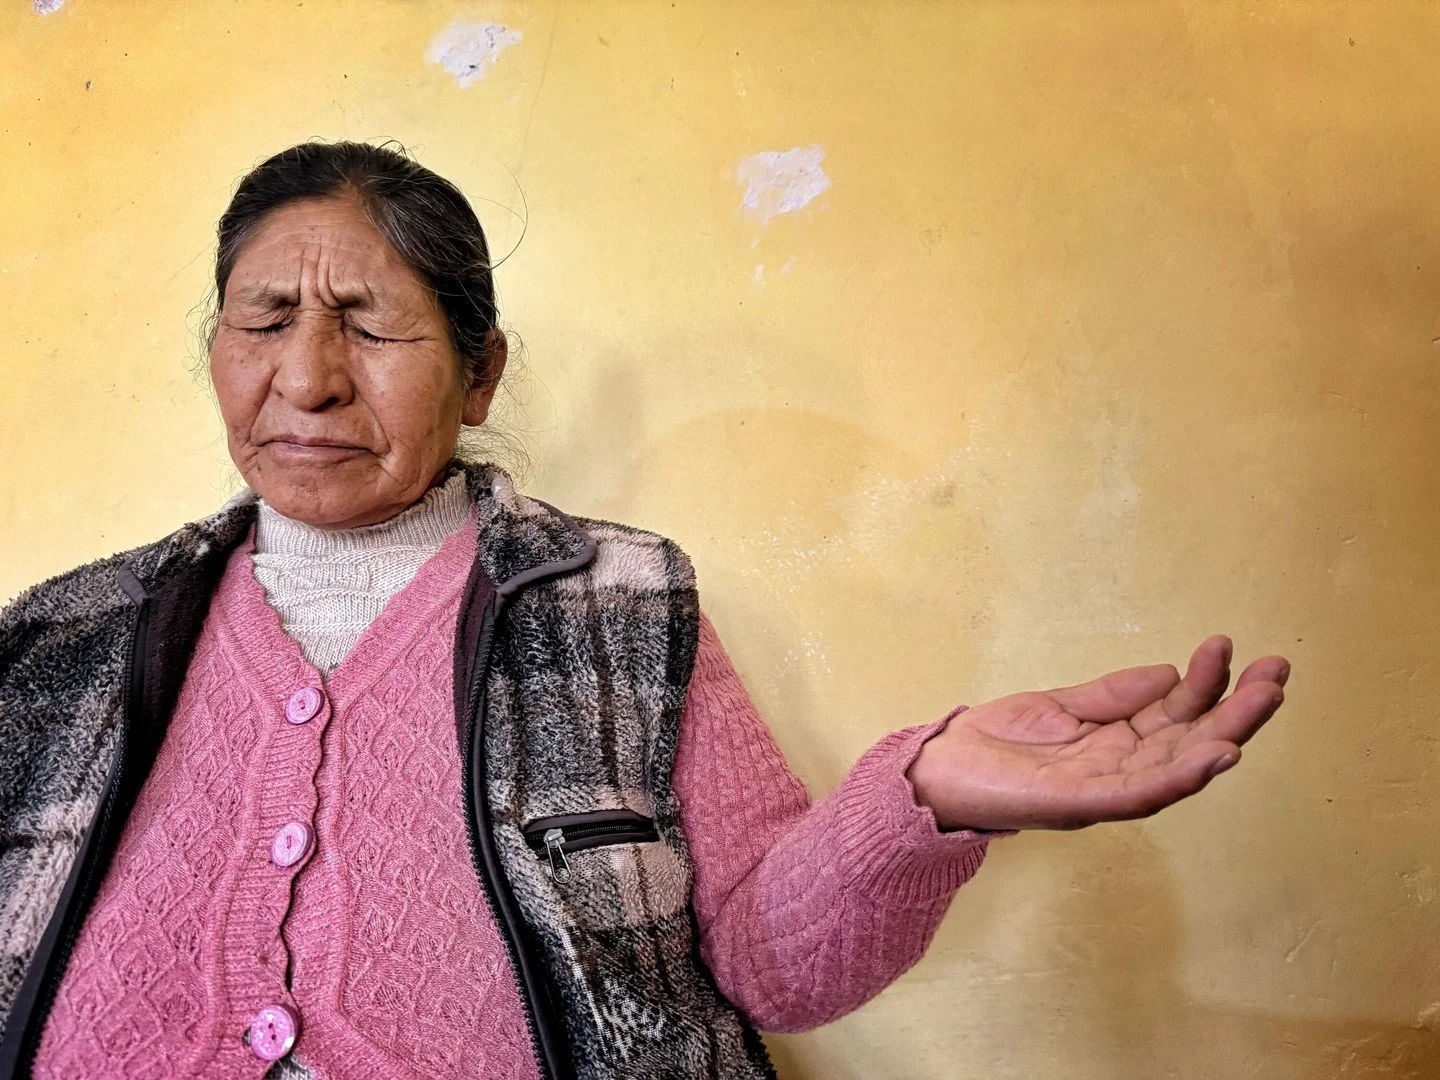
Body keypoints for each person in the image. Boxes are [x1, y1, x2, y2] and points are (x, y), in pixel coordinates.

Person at [0, 140, 1291, 1080]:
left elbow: (767, 969)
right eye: (263, 319)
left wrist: (925, 800)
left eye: (368, 327)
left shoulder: (623, 603)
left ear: (479, 370)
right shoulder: (61, 636)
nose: (307, 378)